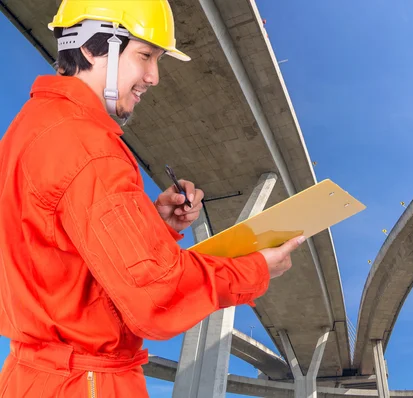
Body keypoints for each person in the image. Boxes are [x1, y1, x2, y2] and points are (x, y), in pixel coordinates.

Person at [0, 1, 303, 396]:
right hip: (88, 383)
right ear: (92, 47)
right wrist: (255, 269)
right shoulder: (89, 147)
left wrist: (154, 225)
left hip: (32, 375)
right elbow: (155, 298)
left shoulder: (31, 127)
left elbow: (63, 256)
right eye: (145, 55)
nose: (154, 77)